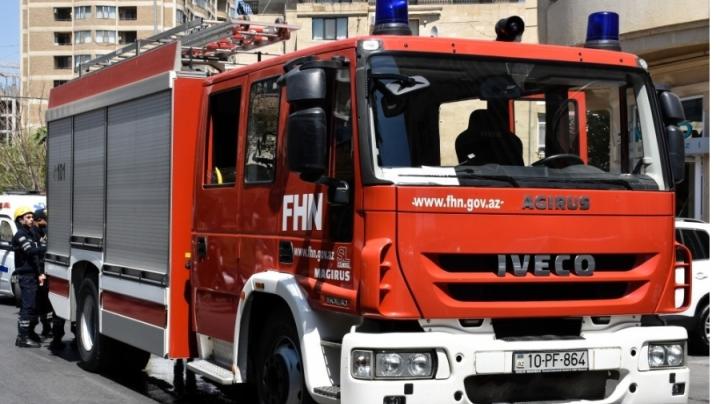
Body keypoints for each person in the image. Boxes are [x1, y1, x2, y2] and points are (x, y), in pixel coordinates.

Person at [11, 206, 46, 348]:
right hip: (25, 276)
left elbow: (36, 258)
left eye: (32, 217)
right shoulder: (20, 235)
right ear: (20, 220)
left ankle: (30, 333)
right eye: (28, 217)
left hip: (33, 275)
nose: (32, 220)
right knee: (27, 306)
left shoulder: (32, 233)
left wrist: (40, 273)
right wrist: (47, 248)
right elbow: (30, 251)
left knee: (34, 306)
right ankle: (22, 337)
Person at [33, 208, 66, 350]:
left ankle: (55, 334)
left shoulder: (50, 231)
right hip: (48, 271)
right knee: (45, 303)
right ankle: (49, 330)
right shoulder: (36, 232)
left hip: (54, 271)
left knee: (53, 305)